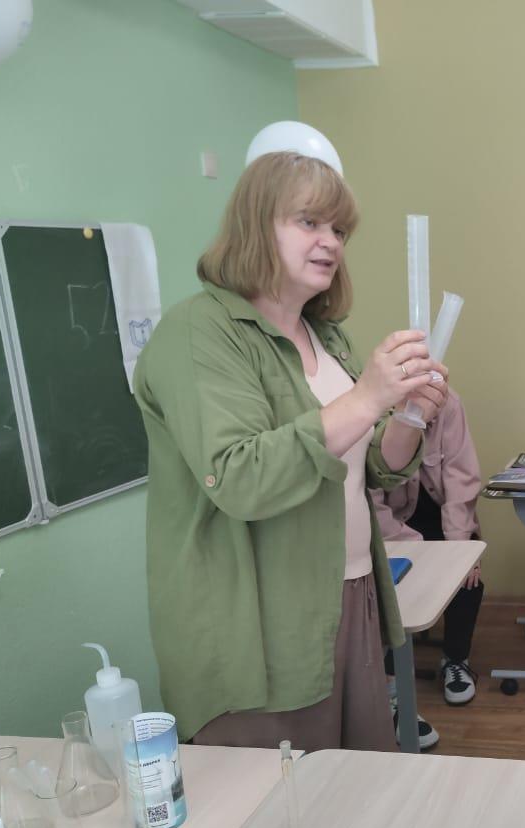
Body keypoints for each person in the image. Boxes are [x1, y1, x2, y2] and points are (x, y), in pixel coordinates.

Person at [134, 151, 448, 752]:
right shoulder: (199, 333)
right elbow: (240, 477)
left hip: (350, 594)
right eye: (309, 222)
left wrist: (409, 416)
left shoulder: (325, 335)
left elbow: (364, 468)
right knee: (279, 800)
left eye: (340, 230)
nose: (330, 241)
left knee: (359, 787)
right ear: (256, 223)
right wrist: (366, 396)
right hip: (256, 621)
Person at [371, 385, 485, 712]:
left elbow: (460, 479)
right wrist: (416, 551)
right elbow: (370, 503)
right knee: (395, 583)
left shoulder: (449, 404)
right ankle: (390, 672)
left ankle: (456, 660)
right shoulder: (373, 408)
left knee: (468, 579)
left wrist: (459, 550)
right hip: (390, 525)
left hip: (440, 516)